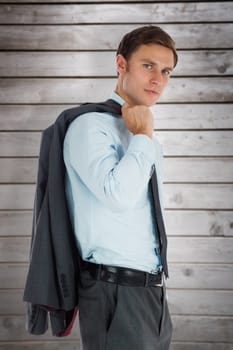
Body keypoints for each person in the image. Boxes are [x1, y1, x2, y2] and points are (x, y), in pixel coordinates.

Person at [63, 25, 178, 350]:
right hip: (113, 289)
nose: (158, 78)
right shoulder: (89, 126)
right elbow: (118, 196)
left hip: (151, 292)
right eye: (148, 65)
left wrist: (142, 136)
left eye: (166, 70)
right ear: (121, 64)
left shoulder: (144, 135)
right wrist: (142, 137)